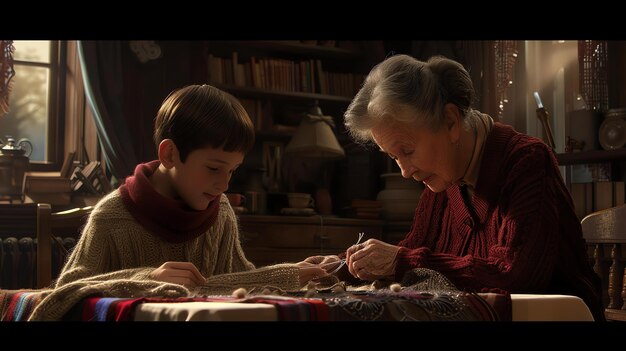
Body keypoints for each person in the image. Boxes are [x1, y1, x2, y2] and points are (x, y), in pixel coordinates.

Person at [316, 54, 604, 321]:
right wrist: (334, 267)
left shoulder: (527, 161)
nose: (404, 171)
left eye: (407, 150)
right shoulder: (444, 178)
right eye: (394, 156)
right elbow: (410, 253)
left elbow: (513, 276)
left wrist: (399, 261)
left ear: (451, 121)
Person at [53, 84, 326, 292]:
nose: (224, 184)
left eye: (232, 170)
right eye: (213, 168)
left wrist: (293, 275)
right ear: (170, 154)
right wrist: (147, 279)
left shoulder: (221, 213)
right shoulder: (111, 217)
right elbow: (65, 294)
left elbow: (229, 284)